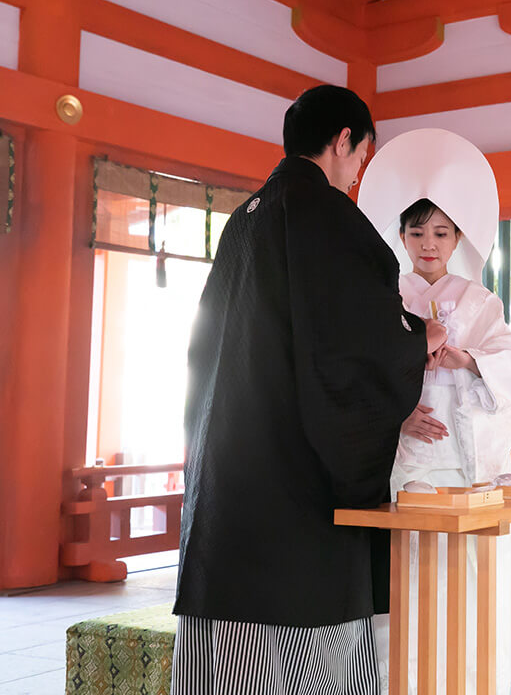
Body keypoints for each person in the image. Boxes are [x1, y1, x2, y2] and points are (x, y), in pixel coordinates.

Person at [173, 85, 444, 695]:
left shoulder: (245, 219)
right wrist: (416, 341)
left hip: (227, 472)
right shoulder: (325, 213)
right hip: (292, 479)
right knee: (299, 653)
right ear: (343, 140)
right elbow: (351, 343)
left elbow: (210, 346)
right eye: (360, 160)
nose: (356, 177)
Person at [359, 128, 511, 693]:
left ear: (458, 239)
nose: (428, 243)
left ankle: (478, 679)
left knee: (476, 571)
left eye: (441, 232)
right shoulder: (384, 296)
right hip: (412, 453)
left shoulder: (481, 301)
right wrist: (398, 414)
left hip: (468, 456)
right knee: (414, 571)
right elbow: (365, 373)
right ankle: (411, 680)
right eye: (417, 231)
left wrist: (470, 358)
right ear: (401, 236)